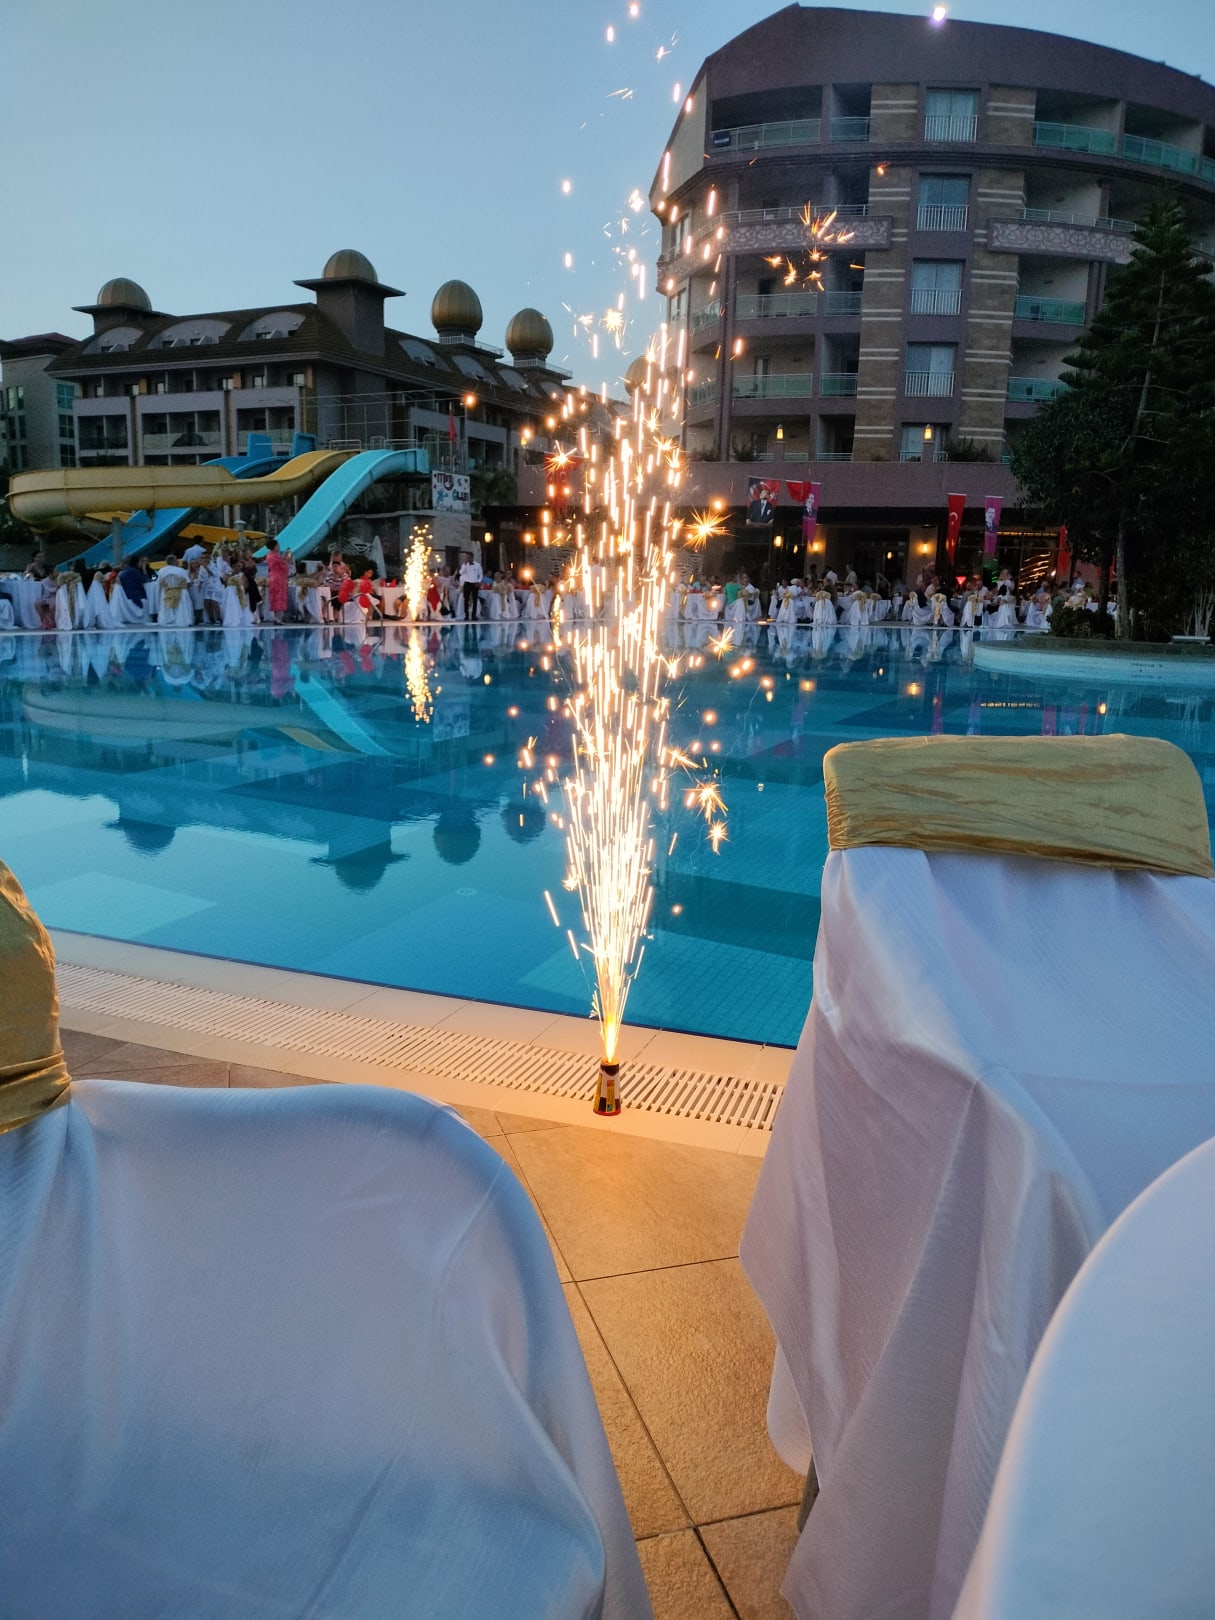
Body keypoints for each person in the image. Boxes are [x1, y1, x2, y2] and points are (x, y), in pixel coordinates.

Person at [265, 538, 290, 625]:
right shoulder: (275, 556)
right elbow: (284, 565)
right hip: (279, 577)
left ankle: (276, 617)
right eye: (278, 545)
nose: (279, 547)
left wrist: (284, 557)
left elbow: (280, 562)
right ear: (275, 546)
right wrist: (288, 558)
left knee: (274, 596)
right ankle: (277, 617)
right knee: (279, 596)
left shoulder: (269, 555)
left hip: (272, 576)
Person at [458, 552, 482, 621]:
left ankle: (474, 616)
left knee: (475, 600)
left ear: (472, 558)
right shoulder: (465, 565)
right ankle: (466, 615)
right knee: (466, 600)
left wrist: (478, 581)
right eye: (466, 557)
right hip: (467, 583)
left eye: (468, 557)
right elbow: (461, 573)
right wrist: (465, 565)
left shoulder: (477, 565)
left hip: (475, 583)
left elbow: (481, 574)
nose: (467, 559)